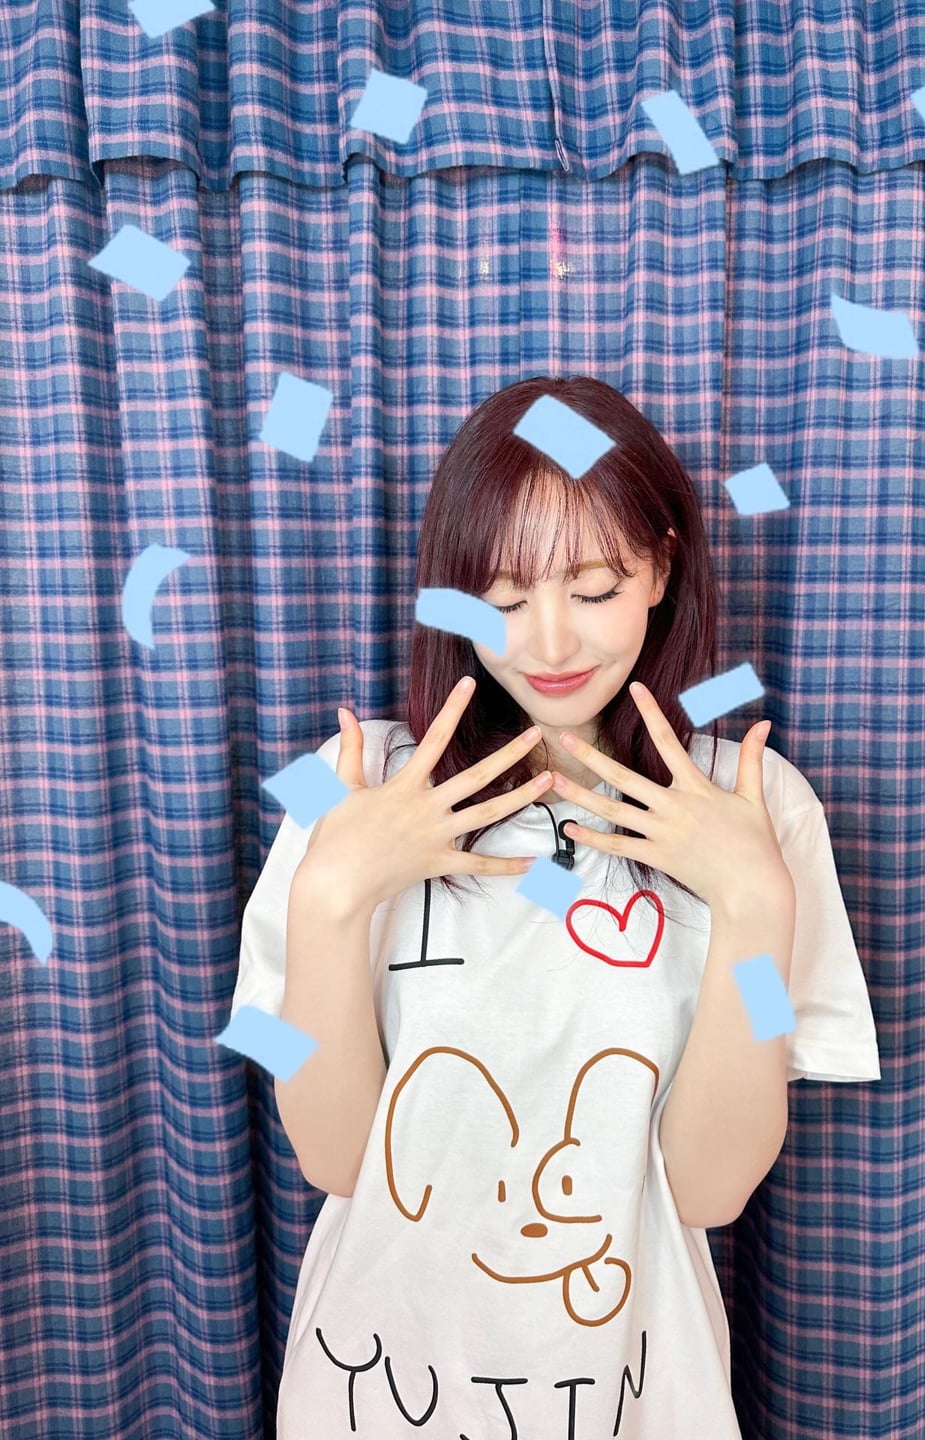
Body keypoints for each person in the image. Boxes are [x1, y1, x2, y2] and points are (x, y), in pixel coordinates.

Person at [230, 376, 881, 1438]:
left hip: (643, 1398)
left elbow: (711, 1190)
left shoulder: (759, 804)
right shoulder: (349, 788)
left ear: (660, 567)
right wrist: (333, 896)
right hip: (370, 1390)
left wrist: (756, 903)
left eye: (594, 587)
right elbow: (337, 1160)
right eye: (501, 597)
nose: (550, 645)